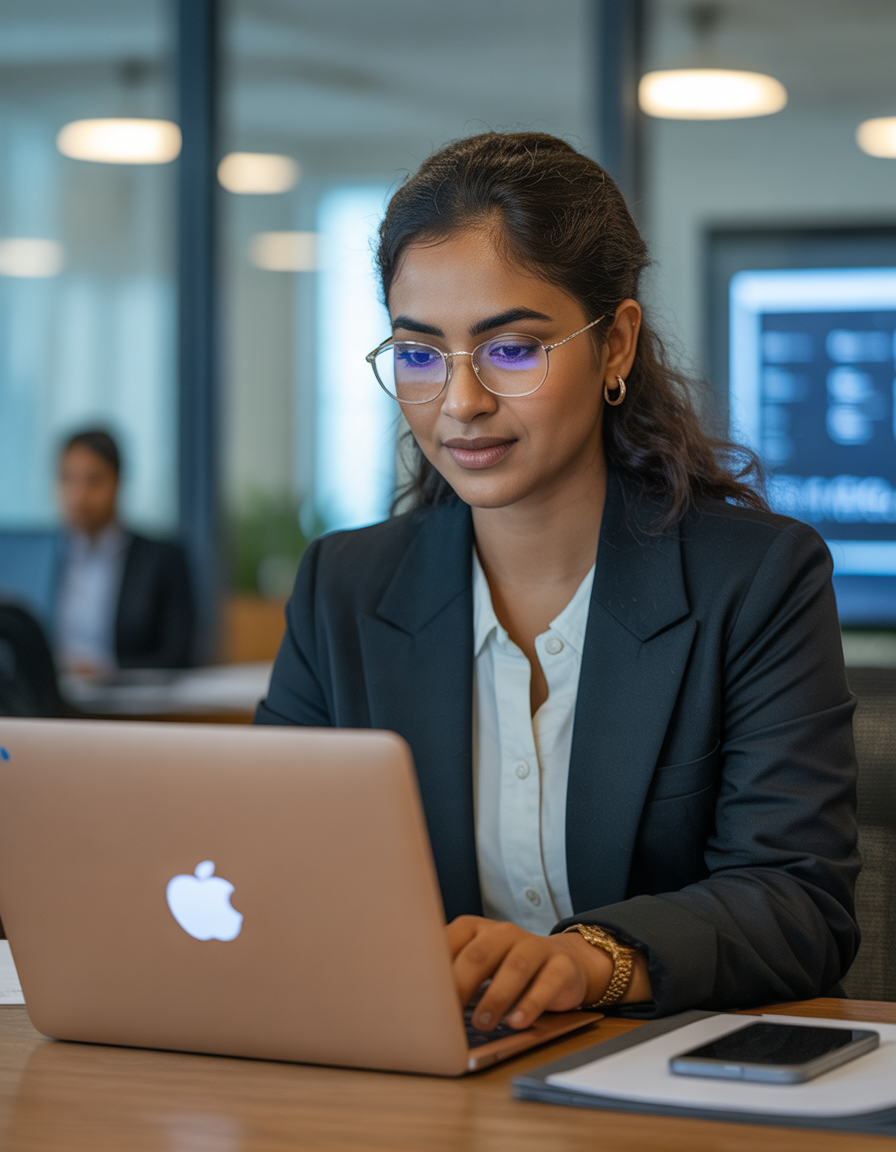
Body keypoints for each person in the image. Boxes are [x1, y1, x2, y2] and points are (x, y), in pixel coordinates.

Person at [256, 133, 859, 1026]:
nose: (460, 401)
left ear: (614, 344)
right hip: (430, 1077)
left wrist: (584, 963)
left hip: (677, 1080)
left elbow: (798, 904)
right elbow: (265, 867)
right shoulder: (343, 588)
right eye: (420, 354)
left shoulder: (758, 579)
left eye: (512, 349)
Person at [56, 429, 194, 672]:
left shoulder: (162, 559)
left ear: (118, 481)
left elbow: (178, 656)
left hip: (129, 702)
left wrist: (104, 671)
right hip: (43, 703)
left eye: (94, 480)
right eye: (68, 479)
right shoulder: (44, 558)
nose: (79, 495)